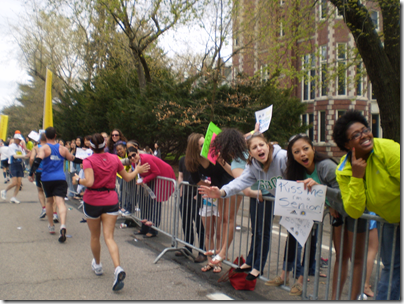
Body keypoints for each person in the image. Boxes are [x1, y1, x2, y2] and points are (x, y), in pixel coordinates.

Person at [266, 133, 348, 296]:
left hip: (348, 213)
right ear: (292, 155)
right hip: (326, 214)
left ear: (312, 148)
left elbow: (344, 193)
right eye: (296, 152)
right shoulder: (297, 170)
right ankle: (287, 276)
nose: (302, 154)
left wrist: (324, 195)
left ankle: (354, 292)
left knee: (347, 256)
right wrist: (327, 204)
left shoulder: (325, 166)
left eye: (305, 149)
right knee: (297, 238)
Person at [199, 133, 287, 279]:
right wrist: (221, 192)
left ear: (268, 145)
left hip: (289, 199)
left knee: (266, 233)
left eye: (261, 145)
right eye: (254, 147)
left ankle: (259, 267)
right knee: (257, 231)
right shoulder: (252, 165)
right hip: (263, 196)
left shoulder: (282, 157)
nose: (259, 149)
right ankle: (252, 261)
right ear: (250, 152)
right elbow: (239, 183)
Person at [333, 110, 400, 300]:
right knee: (392, 268)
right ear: (347, 145)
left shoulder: (388, 148)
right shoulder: (344, 170)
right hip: (389, 220)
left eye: (365, 130)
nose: (364, 136)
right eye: (356, 135)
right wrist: (356, 176)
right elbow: (354, 210)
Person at [71, 133, 150, 291]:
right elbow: (127, 177)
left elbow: (90, 181)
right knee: (109, 237)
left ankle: (98, 265)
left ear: (91, 147)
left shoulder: (88, 161)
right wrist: (138, 170)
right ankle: (118, 268)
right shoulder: (114, 159)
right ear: (105, 144)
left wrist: (77, 180)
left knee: (95, 236)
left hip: (93, 200)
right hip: (111, 200)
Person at [185, 133, 235, 274]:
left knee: (219, 232)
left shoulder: (215, 158)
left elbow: (231, 173)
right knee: (208, 233)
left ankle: (218, 262)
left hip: (224, 192)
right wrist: (208, 188)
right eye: (203, 146)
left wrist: (220, 160)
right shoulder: (192, 162)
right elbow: (196, 181)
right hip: (210, 195)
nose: (207, 148)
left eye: (207, 144)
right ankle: (209, 261)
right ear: (195, 149)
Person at [28, 127, 83, 243]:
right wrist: (85, 160)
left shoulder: (44, 148)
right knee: (60, 202)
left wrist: (31, 173)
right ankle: (63, 225)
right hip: (60, 178)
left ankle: (51, 225)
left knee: (49, 201)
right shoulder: (62, 149)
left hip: (47, 178)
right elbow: (73, 159)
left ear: (46, 136)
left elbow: (37, 161)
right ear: (56, 135)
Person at [127, 146, 176, 238]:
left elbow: (156, 171)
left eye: (133, 155)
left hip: (162, 175)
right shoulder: (134, 163)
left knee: (156, 201)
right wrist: (142, 180)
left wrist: (144, 180)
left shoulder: (146, 158)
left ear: (137, 152)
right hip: (152, 179)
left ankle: (153, 229)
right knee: (146, 202)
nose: (132, 158)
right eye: (130, 157)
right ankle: (144, 227)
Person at [177, 154, 207, 263]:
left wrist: (200, 193)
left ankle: (202, 252)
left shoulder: (203, 160)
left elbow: (206, 177)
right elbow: (180, 175)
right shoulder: (183, 159)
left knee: (200, 226)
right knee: (186, 223)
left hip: (198, 197)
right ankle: (187, 247)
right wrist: (180, 191)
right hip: (185, 196)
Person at [1, 132, 30, 203]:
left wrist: (29, 154)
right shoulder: (11, 147)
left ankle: (14, 197)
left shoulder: (19, 147)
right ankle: (4, 191)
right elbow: (14, 156)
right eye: (18, 139)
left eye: (20, 140)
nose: (19, 141)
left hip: (19, 164)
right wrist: (24, 156)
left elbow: (24, 156)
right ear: (15, 139)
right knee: (14, 183)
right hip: (13, 165)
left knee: (19, 183)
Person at [364, 212, 378, 298]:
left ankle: (363, 282)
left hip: (367, 215)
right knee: (372, 249)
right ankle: (365, 284)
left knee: (369, 250)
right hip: (373, 217)